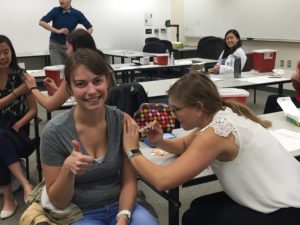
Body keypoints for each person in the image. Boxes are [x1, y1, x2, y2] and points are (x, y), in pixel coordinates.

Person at [123, 71, 300, 225]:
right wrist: (160, 141)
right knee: (199, 205)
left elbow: (163, 181)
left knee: (193, 217)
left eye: (176, 109)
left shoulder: (217, 132)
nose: (172, 115)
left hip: (288, 210)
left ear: (199, 107)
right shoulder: (221, 116)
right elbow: (184, 145)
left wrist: (132, 150)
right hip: (285, 195)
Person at [39, 48, 158, 225]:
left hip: (121, 205)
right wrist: (67, 170)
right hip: (78, 212)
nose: (92, 91)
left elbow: (129, 181)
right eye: (81, 84)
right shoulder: (54, 132)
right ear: (69, 88)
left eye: (97, 81)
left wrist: (123, 217)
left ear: (107, 81)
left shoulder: (121, 121)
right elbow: (58, 201)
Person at [24, 29, 116, 112]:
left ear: (78, 49)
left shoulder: (76, 70)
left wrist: (33, 88)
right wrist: (58, 90)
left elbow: (50, 105)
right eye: (80, 84)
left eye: (67, 48)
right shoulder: (102, 63)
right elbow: (89, 95)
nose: (66, 52)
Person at [0, 35, 36, 219]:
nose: (2, 57)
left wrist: (18, 124)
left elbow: (33, 110)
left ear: (11, 52)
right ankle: (24, 183)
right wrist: (17, 92)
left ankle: (8, 198)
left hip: (17, 131)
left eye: (5, 52)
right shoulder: (18, 85)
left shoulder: (22, 76)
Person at [39, 0, 93, 65]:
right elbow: (41, 22)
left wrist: (80, 39)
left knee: (69, 69)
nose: (60, 1)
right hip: (55, 45)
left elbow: (90, 28)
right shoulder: (55, 10)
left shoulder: (77, 14)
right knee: (57, 70)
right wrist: (57, 31)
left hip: (70, 47)